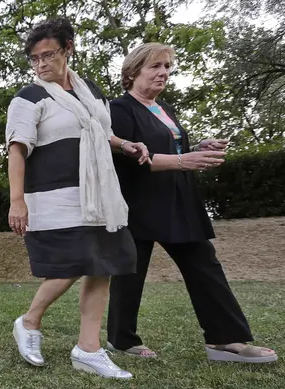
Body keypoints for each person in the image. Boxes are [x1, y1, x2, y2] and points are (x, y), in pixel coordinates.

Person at [106, 42, 277, 363]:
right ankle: (121, 339)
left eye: (168, 67)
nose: (164, 73)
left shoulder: (165, 108)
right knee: (130, 274)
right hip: (138, 204)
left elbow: (169, 145)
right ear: (133, 72)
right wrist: (185, 160)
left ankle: (226, 341)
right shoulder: (120, 109)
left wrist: (198, 144)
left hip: (180, 201)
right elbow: (132, 159)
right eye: (155, 66)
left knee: (205, 265)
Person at [5, 18, 151, 379]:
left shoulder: (91, 91)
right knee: (70, 264)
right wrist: (16, 200)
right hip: (55, 197)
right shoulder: (30, 96)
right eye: (34, 59)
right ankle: (29, 321)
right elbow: (17, 150)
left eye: (48, 55)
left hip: (100, 195)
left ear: (68, 48)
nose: (41, 65)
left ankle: (88, 349)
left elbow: (104, 132)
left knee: (104, 264)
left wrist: (124, 144)